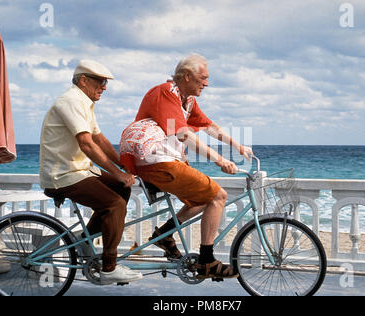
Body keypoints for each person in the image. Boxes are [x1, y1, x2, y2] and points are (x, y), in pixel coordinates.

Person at [120, 54, 253, 280]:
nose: (207, 83)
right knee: (218, 196)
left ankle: (164, 235)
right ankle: (207, 261)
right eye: (203, 78)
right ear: (188, 76)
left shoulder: (187, 100)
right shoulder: (165, 93)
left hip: (168, 161)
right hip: (158, 162)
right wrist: (220, 160)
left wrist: (237, 145)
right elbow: (184, 134)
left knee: (201, 201)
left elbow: (209, 126)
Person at [39, 60, 142, 285]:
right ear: (83, 81)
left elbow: (100, 139)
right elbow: (86, 144)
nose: (105, 87)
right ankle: (109, 268)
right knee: (115, 204)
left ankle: (85, 242)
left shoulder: (84, 102)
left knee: (121, 190)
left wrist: (125, 167)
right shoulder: (71, 101)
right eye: (101, 81)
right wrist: (116, 172)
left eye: (106, 83)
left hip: (79, 170)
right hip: (63, 175)